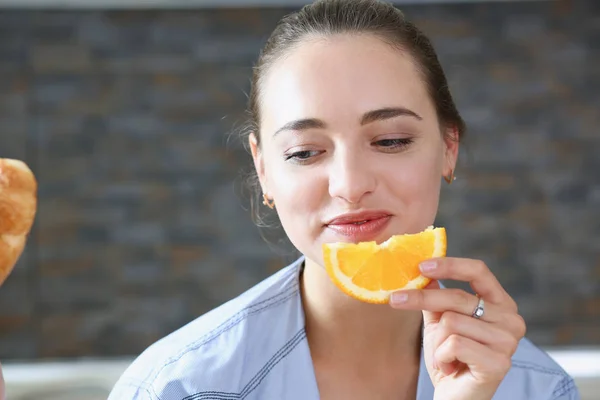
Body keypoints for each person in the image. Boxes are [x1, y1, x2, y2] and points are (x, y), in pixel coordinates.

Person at [108, 0, 579, 399]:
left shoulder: (537, 389)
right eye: (305, 152)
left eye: (391, 141)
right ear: (264, 169)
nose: (350, 185)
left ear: (448, 146)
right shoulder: (180, 387)